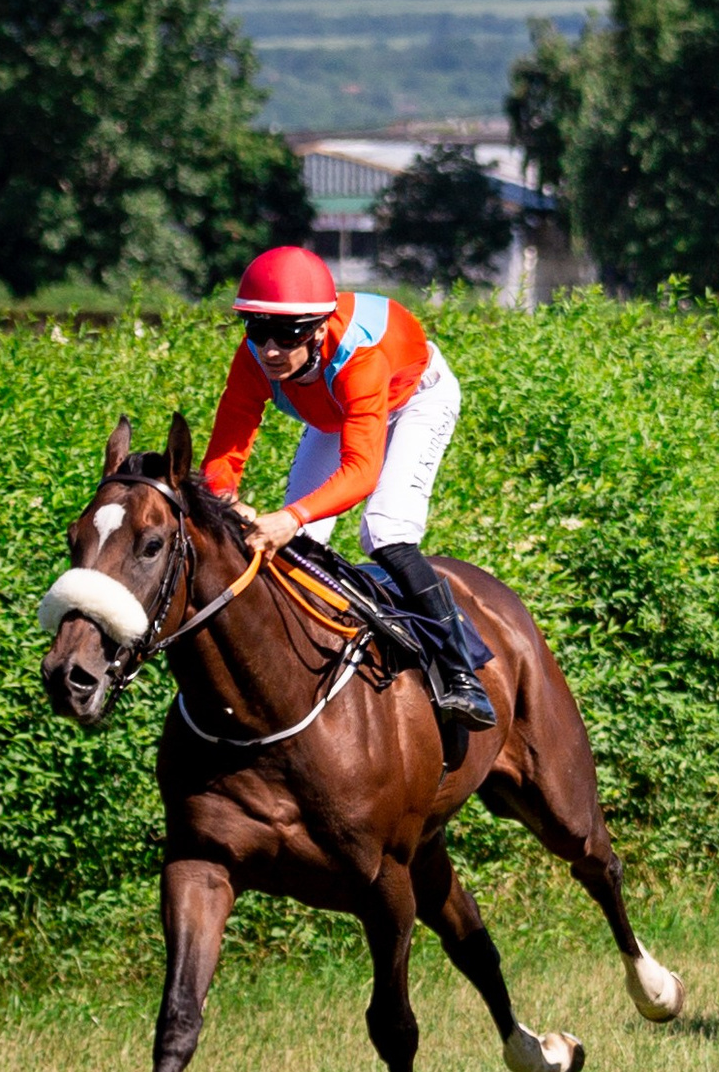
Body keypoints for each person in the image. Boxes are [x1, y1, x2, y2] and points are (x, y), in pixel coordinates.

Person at [199, 245, 496, 730]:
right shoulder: (255, 357)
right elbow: (224, 456)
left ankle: (462, 672)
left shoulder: (360, 356)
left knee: (383, 531)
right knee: (301, 545)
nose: (270, 350)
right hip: (337, 412)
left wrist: (287, 516)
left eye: (287, 334)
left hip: (414, 400)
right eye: (257, 330)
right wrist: (226, 500)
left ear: (319, 328)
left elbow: (361, 472)